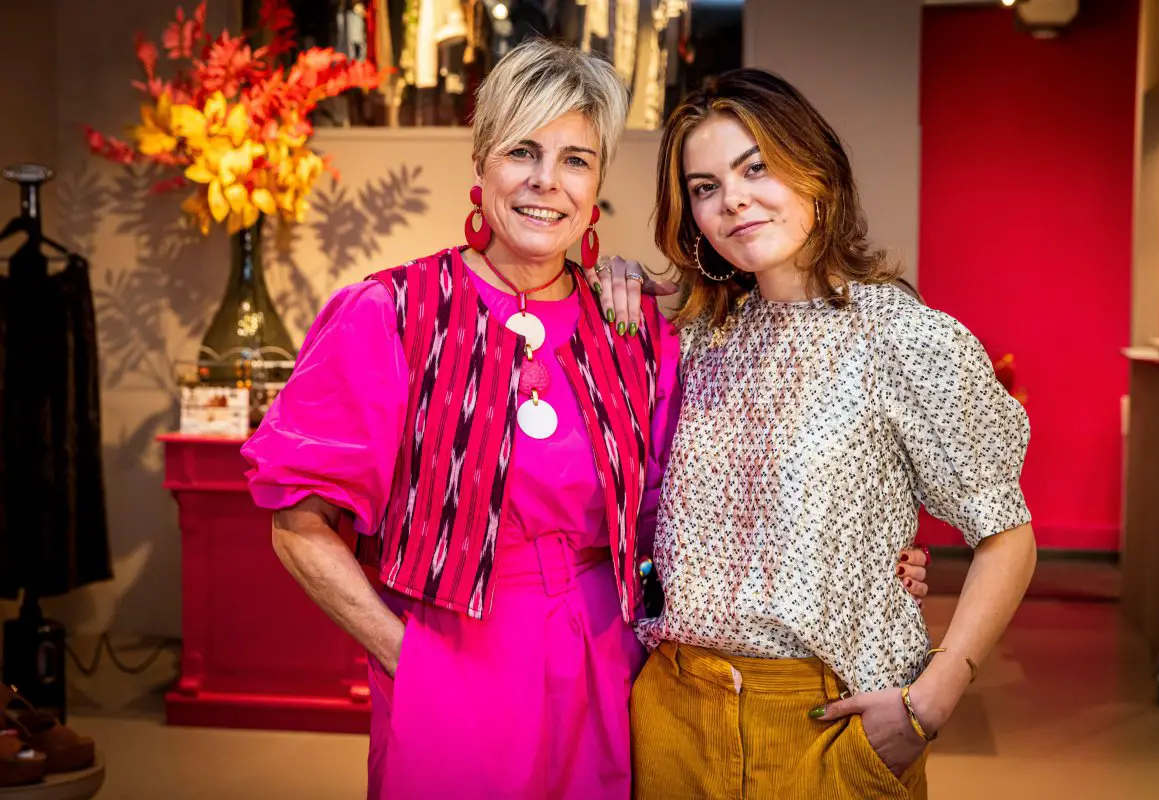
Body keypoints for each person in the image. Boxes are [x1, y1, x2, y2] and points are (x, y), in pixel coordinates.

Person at [243, 41, 930, 799]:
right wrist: (411, 661)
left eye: (576, 159)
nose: (546, 182)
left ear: (598, 181)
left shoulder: (634, 328)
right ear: (481, 164)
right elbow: (297, 525)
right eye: (522, 152)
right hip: (452, 650)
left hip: (614, 660)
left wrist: (871, 556)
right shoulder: (392, 313)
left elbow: (708, 499)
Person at [593, 68, 1036, 800]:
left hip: (823, 724)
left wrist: (933, 698)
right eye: (704, 188)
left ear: (816, 170)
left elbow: (1007, 536)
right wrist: (610, 281)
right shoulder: (696, 340)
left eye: (755, 168)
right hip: (672, 716)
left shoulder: (904, 339)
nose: (732, 200)